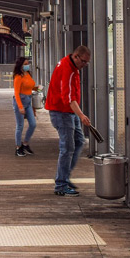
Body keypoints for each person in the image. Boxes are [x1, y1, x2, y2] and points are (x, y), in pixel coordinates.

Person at [45, 45, 92, 197]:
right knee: (67, 148)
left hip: (68, 112)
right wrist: (82, 115)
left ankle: (64, 176)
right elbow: (69, 98)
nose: (84, 65)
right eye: (83, 61)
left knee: (79, 141)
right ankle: (61, 185)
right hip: (62, 113)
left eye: (87, 63)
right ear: (76, 56)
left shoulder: (71, 65)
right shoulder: (68, 70)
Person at [12, 56, 37, 157]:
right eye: (25, 64)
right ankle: (18, 147)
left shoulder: (28, 74)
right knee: (20, 126)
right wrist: (20, 106)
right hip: (20, 102)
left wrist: (37, 88)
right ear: (20, 66)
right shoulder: (18, 77)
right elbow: (16, 93)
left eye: (28, 64)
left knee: (33, 124)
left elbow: (30, 86)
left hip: (28, 102)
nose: (27, 66)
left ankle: (25, 143)